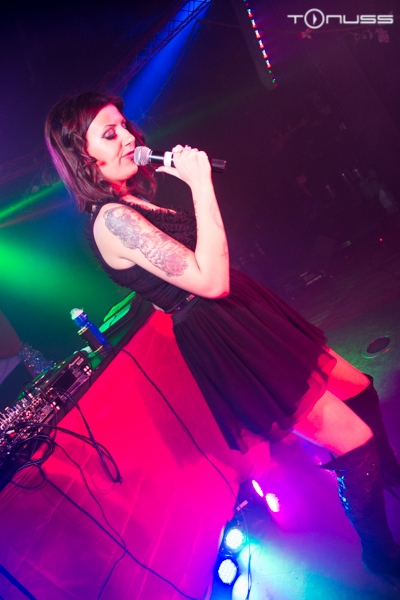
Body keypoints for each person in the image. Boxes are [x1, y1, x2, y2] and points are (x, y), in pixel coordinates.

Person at [45, 91, 400, 580]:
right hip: (227, 334)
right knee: (354, 442)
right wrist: (200, 184)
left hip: (243, 316)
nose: (127, 137)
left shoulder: (126, 202)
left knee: (359, 388)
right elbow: (210, 282)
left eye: (124, 125)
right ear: (82, 157)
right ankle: (381, 553)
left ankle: (390, 479)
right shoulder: (112, 219)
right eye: (110, 134)